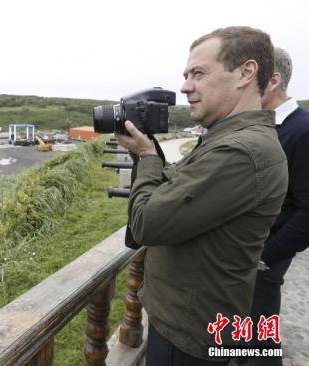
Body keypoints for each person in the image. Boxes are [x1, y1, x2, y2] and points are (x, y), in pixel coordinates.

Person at [114, 26, 288, 365]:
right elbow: (176, 192)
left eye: (198, 73)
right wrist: (148, 155)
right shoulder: (228, 139)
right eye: (185, 75)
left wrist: (148, 157)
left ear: (245, 73)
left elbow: (148, 222)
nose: (185, 86)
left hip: (188, 335)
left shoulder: (241, 152)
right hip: (192, 322)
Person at [237, 48, 309, 366]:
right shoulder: (267, 127)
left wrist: (265, 257)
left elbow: (308, 212)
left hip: (264, 256)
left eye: (249, 78)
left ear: (273, 80)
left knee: (260, 344)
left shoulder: (302, 131)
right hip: (247, 252)